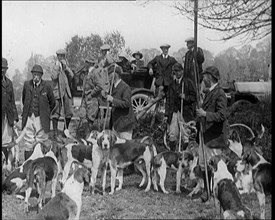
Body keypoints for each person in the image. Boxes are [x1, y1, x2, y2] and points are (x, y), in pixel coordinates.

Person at [196, 66, 229, 201]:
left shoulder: (220, 93)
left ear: (210, 78)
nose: (203, 79)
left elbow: (222, 115)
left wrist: (205, 114)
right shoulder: (210, 92)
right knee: (204, 164)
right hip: (205, 134)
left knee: (214, 166)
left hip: (214, 136)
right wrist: (197, 121)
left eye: (204, 76)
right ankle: (207, 191)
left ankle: (218, 193)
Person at [21, 64, 56, 160]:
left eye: (38, 75)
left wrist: (46, 113)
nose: (36, 77)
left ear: (41, 76)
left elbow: (52, 102)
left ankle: (40, 161)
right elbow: (24, 100)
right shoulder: (27, 85)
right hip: (29, 117)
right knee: (29, 141)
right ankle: (28, 162)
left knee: (41, 140)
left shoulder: (47, 86)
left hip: (41, 118)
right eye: (34, 74)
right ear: (32, 75)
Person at [164, 63, 196, 151]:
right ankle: (173, 155)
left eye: (178, 71)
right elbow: (168, 100)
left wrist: (185, 97)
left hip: (185, 113)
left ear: (182, 71)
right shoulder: (171, 85)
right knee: (172, 134)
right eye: (175, 72)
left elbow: (194, 97)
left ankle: (185, 155)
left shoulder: (188, 82)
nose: (177, 73)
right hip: (174, 112)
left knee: (185, 135)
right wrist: (166, 114)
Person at [105, 64, 137, 140]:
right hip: (116, 124)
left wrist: (113, 100)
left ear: (114, 75)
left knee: (125, 149)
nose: (108, 78)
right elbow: (114, 103)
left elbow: (127, 104)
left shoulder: (125, 87)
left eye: (109, 75)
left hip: (125, 125)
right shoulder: (113, 87)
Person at [51, 49, 74, 141]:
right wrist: (57, 67)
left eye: (63, 56)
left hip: (66, 92)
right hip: (57, 92)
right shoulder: (54, 66)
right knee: (55, 113)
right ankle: (55, 133)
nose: (61, 58)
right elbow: (54, 77)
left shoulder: (65, 67)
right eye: (60, 56)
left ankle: (65, 130)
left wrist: (66, 67)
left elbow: (72, 76)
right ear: (57, 56)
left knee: (69, 113)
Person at [2, 57, 19, 168]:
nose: (2, 70)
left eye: (4, 68)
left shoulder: (9, 83)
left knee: (7, 139)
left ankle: (6, 163)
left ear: (7, 69)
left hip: (7, 116)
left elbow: (12, 101)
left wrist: (15, 117)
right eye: (1, 68)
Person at [81, 58, 104, 131]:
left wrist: (92, 94)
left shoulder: (95, 72)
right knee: (82, 115)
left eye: (87, 62)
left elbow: (100, 85)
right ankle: (86, 134)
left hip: (92, 99)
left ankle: (88, 136)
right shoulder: (87, 72)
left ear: (91, 64)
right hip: (86, 98)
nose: (85, 64)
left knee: (90, 119)